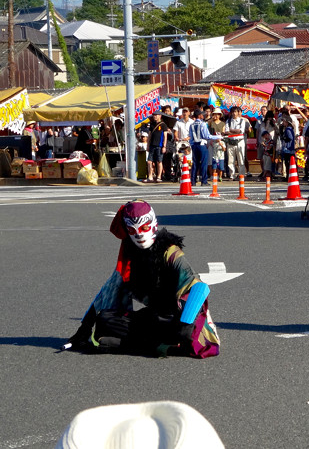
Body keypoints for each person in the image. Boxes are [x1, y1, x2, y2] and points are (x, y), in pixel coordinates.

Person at [62, 200, 220, 358]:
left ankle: (134, 345)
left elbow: (197, 287)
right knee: (104, 320)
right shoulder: (129, 257)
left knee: (182, 334)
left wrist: (186, 323)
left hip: (177, 317)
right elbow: (109, 290)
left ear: (153, 224)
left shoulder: (170, 252)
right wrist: (85, 327)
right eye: (132, 230)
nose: (139, 234)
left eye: (144, 227)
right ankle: (149, 344)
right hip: (153, 318)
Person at [225, 106, 249, 180]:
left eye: (235, 112)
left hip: (240, 142)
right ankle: (232, 175)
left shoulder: (242, 121)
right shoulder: (228, 121)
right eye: (233, 112)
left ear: (238, 113)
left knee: (241, 159)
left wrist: (231, 130)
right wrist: (234, 131)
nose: (234, 113)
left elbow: (241, 131)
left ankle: (241, 174)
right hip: (230, 142)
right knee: (230, 160)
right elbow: (226, 131)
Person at [188, 109, 211, 186]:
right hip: (202, 144)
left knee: (195, 163)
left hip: (194, 145)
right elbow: (206, 136)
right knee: (204, 163)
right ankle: (204, 181)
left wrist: (191, 145)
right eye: (202, 114)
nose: (203, 115)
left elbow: (190, 137)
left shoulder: (191, 125)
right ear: (199, 116)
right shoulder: (203, 124)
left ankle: (193, 181)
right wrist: (218, 136)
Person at [145, 112, 169, 183]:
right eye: (154, 115)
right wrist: (148, 145)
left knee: (159, 161)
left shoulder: (163, 125)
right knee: (149, 161)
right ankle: (150, 176)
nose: (154, 117)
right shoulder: (152, 124)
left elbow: (165, 136)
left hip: (159, 145)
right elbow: (149, 136)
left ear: (160, 116)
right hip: (152, 145)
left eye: (156, 115)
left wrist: (164, 146)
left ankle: (159, 176)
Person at [208, 108, 226, 182]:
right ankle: (212, 175)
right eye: (215, 114)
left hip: (219, 141)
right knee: (211, 159)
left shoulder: (222, 123)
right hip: (212, 141)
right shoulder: (211, 122)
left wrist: (220, 139)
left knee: (219, 159)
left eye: (218, 114)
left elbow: (223, 132)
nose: (216, 116)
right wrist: (212, 119)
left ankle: (219, 175)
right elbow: (208, 125)